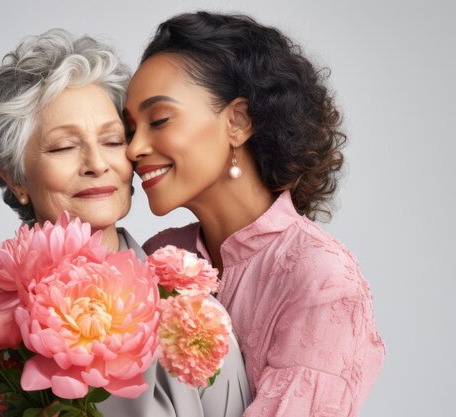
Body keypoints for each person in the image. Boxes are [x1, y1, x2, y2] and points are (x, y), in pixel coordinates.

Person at [0, 28, 250, 417]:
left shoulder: (194, 320)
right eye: (63, 146)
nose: (97, 164)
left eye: (112, 141)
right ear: (14, 177)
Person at [125, 11, 385, 417]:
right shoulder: (158, 256)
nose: (133, 148)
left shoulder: (321, 279)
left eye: (158, 119)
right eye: (129, 129)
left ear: (238, 121)